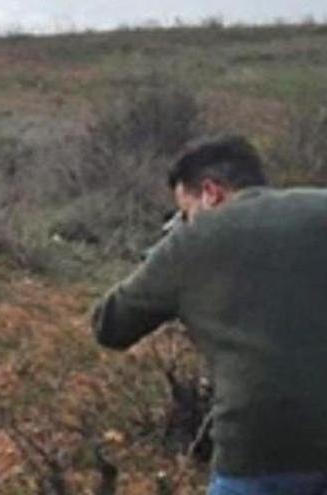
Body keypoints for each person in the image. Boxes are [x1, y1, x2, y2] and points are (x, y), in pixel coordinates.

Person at [91, 135, 327, 495]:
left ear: (211, 193)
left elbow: (110, 325)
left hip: (261, 454)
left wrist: (170, 250)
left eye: (184, 211)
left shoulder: (194, 239)